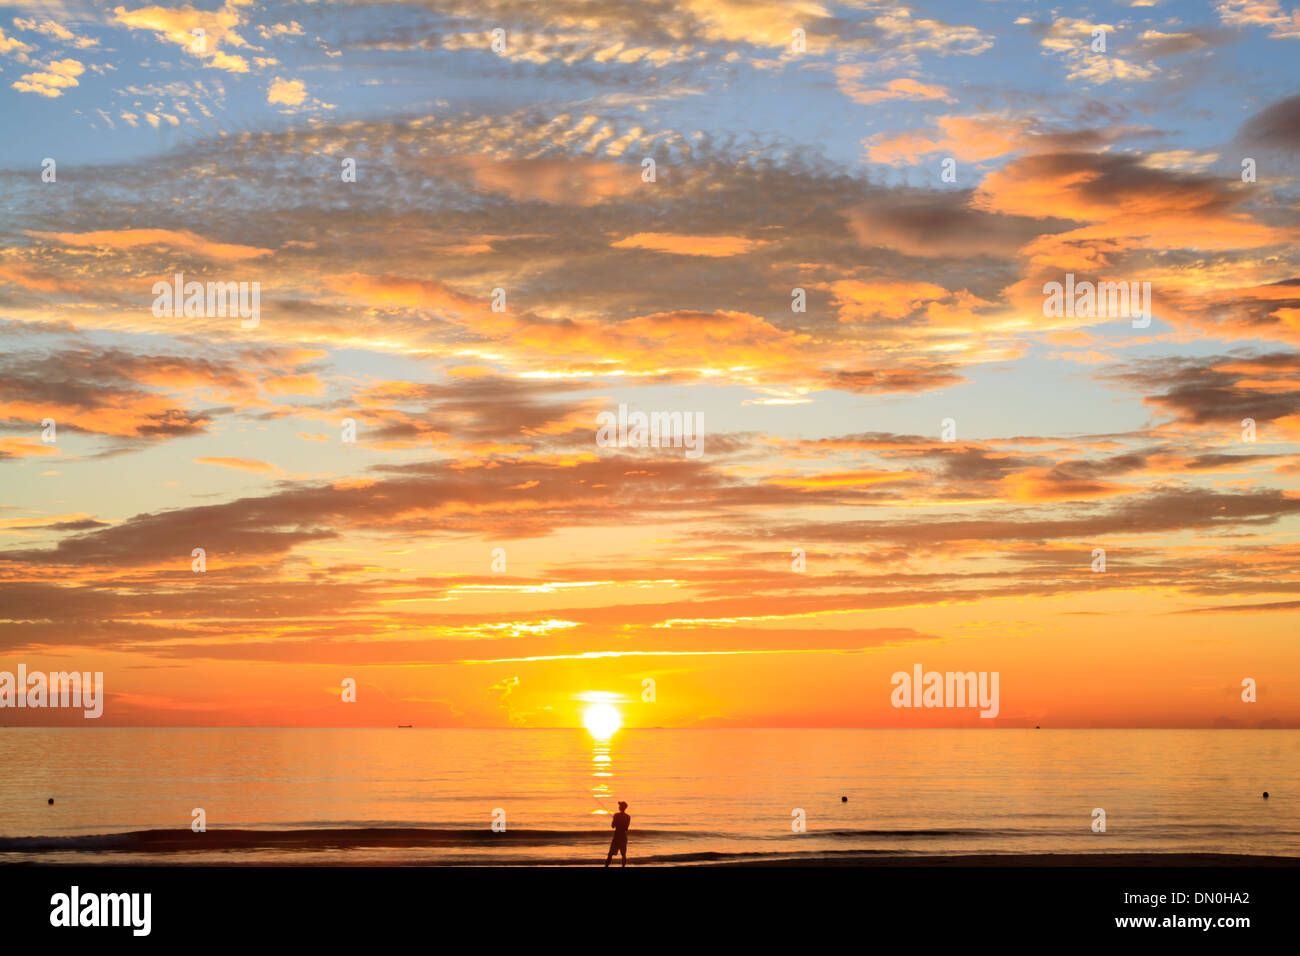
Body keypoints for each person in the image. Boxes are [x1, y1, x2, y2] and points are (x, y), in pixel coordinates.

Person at [605, 801, 631, 867]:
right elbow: (626, 829)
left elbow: (612, 826)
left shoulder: (616, 815)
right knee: (623, 855)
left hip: (616, 837)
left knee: (610, 854)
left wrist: (616, 822)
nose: (619, 807)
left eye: (620, 806)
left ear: (621, 807)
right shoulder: (628, 817)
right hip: (623, 837)